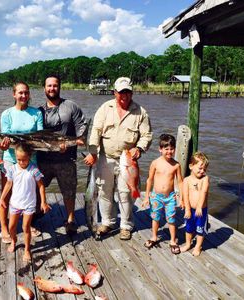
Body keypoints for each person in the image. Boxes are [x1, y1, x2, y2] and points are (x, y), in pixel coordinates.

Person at [84, 77, 152, 240]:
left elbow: (147, 135)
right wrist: (93, 152)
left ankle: (126, 225)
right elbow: (96, 131)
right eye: (121, 92)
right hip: (104, 158)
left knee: (125, 192)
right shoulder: (104, 108)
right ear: (115, 92)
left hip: (127, 160)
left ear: (132, 92)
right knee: (104, 192)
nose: (124, 95)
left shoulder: (141, 112)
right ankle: (108, 222)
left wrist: (140, 148)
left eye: (127, 92)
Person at [38, 75, 87, 234]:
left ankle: (71, 219)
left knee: (69, 190)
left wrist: (80, 139)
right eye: (49, 86)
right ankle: (34, 215)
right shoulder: (39, 111)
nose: (52, 88)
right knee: (36, 189)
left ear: (60, 87)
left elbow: (82, 124)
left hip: (66, 158)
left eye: (55, 85)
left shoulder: (70, 106)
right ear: (44, 88)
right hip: (43, 159)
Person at [0, 82, 43, 243]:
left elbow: (39, 136)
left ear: (29, 94)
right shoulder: (7, 114)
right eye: (20, 93)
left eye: (26, 93)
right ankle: (4, 228)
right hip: (11, 159)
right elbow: (5, 136)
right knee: (7, 191)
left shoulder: (36, 113)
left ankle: (27, 224)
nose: (23, 96)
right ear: (14, 94)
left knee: (30, 193)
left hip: (31, 159)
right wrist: (2, 143)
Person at [0, 143, 51, 262]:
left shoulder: (34, 169)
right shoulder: (12, 169)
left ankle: (27, 249)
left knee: (25, 227)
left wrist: (43, 202)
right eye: (19, 160)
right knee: (11, 227)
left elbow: (41, 186)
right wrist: (2, 198)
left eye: (24, 160)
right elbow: (8, 184)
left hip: (29, 204)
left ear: (30, 156)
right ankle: (14, 241)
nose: (22, 162)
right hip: (15, 203)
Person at [142, 133, 183, 254]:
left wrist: (182, 198)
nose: (169, 151)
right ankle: (154, 236)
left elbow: (180, 182)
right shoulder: (155, 163)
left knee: (171, 219)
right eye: (166, 149)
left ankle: (172, 241)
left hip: (170, 197)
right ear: (160, 149)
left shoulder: (176, 165)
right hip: (156, 196)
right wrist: (146, 196)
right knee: (155, 217)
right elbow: (149, 180)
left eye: (172, 148)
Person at [180, 152, 210, 257]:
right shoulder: (186, 180)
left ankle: (198, 246)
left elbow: (203, 192)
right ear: (191, 166)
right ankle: (188, 244)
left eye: (204, 169)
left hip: (201, 210)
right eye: (200, 168)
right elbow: (185, 195)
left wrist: (199, 207)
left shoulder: (205, 179)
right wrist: (187, 209)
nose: (202, 171)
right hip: (190, 209)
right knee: (188, 228)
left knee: (200, 229)